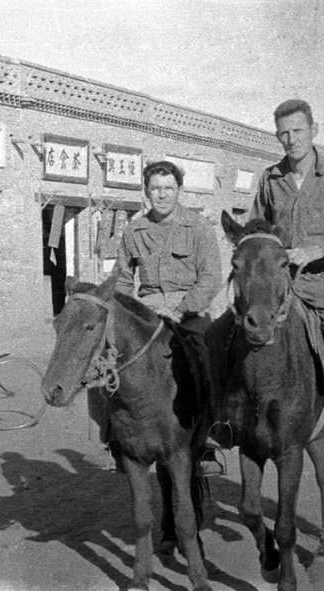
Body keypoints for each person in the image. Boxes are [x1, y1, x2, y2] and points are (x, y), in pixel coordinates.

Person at [249, 99, 324, 459]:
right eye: (283, 133)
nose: (291, 140)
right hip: (279, 283)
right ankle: (229, 421)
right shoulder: (270, 179)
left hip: (322, 284)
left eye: (298, 131)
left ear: (313, 131)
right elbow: (258, 227)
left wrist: (315, 251)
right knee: (235, 332)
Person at [114, 160, 223, 474]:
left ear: (179, 190)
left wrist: (179, 309)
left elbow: (210, 278)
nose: (161, 195)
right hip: (146, 311)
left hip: (189, 312)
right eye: (155, 189)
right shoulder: (134, 230)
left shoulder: (198, 227)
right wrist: (126, 312)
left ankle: (210, 435)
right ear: (146, 192)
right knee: (109, 360)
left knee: (208, 353)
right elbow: (122, 279)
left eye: (168, 188)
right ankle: (115, 438)